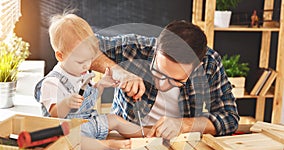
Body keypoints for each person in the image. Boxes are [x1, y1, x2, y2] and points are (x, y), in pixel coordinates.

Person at [94, 20, 240, 140]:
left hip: (179, 143)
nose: (162, 85)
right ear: (156, 48)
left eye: (176, 80)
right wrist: (118, 71)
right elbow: (76, 43)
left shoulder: (210, 64)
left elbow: (229, 118)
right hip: (125, 139)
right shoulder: (135, 49)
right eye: (158, 72)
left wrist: (184, 125)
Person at [35, 13, 148, 150]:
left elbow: (90, 99)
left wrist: (100, 85)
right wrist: (66, 103)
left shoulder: (81, 73)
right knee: (73, 141)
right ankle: (108, 145)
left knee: (115, 119)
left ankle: (148, 134)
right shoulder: (52, 83)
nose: (86, 66)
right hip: (67, 131)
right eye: (81, 62)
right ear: (60, 56)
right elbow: (55, 114)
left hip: (88, 123)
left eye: (89, 60)